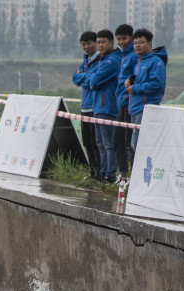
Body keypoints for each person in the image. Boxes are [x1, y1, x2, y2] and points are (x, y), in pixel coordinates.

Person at [122, 28, 167, 163]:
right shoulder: (139, 61)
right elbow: (143, 79)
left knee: (139, 146)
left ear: (150, 43)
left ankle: (143, 177)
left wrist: (136, 88)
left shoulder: (156, 62)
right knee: (134, 145)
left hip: (145, 109)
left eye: (141, 42)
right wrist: (131, 80)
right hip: (135, 108)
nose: (137, 46)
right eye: (135, 43)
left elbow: (157, 84)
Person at [87, 29, 122, 183]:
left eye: (103, 42)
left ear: (111, 42)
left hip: (107, 107)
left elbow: (92, 81)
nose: (100, 45)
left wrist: (91, 78)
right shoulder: (102, 60)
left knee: (109, 144)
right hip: (98, 107)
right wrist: (91, 77)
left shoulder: (111, 61)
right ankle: (102, 173)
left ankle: (110, 174)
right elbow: (88, 78)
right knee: (100, 143)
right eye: (98, 42)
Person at [71, 30, 100, 179]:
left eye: (89, 43)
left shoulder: (100, 60)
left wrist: (84, 76)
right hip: (84, 107)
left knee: (97, 142)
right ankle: (92, 171)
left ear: (96, 43)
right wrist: (84, 76)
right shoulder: (85, 61)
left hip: (95, 107)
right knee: (87, 142)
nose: (86, 46)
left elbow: (95, 80)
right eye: (83, 44)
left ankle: (100, 172)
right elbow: (75, 78)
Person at [112, 24, 134, 181]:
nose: (121, 42)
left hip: (129, 102)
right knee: (118, 140)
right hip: (121, 102)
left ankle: (134, 177)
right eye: (118, 39)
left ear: (131, 38)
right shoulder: (122, 55)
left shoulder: (134, 55)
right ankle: (123, 174)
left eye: (124, 38)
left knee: (129, 142)